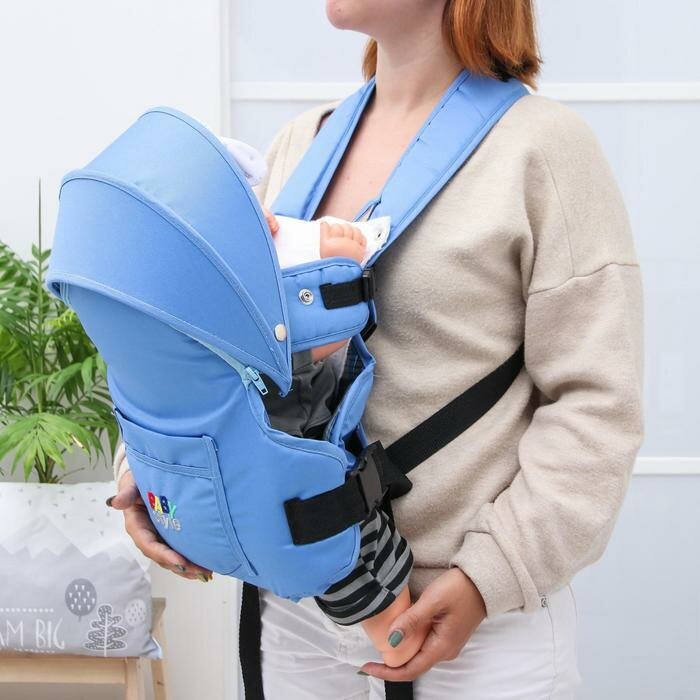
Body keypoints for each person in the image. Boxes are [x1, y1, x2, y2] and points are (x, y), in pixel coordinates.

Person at [108, 0, 645, 696]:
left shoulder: (543, 148)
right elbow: (219, 348)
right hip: (296, 605)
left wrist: (489, 576)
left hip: (471, 630)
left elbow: (596, 403)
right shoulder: (300, 144)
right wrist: (150, 473)